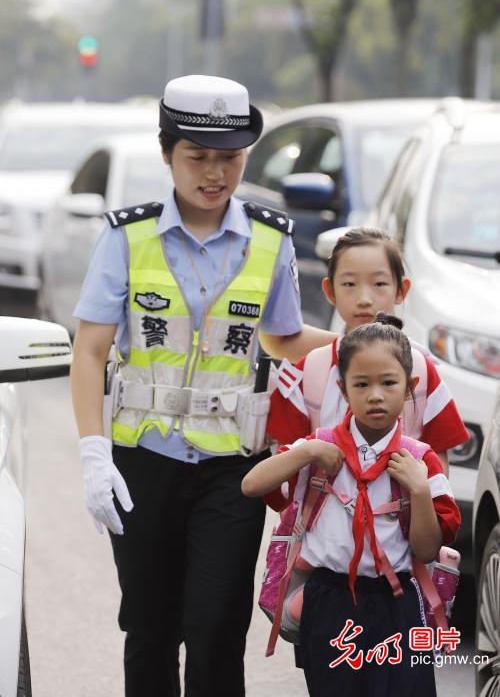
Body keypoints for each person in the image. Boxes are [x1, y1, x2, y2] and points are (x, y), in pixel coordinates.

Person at [70, 74, 336, 697]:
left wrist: (360, 340)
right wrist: (93, 455)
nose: (214, 173)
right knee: (150, 626)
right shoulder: (127, 236)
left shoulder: (271, 240)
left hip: (232, 470)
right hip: (143, 461)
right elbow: (91, 350)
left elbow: (281, 338)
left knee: (216, 626)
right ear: (167, 153)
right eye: (197, 157)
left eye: (229, 158)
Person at [242, 314, 461, 697]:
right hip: (330, 601)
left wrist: (420, 492)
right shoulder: (320, 445)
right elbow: (251, 485)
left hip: (398, 606)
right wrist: (306, 451)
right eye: (362, 384)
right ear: (343, 389)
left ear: (409, 387)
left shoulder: (419, 460)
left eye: (389, 383)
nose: (376, 394)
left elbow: (426, 550)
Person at [266, 227, 470, 481]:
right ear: (330, 291)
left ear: (401, 290)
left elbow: (438, 454)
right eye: (349, 284)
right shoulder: (310, 370)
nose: (364, 298)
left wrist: (430, 505)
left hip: (398, 519)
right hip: (323, 517)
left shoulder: (420, 369)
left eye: (379, 284)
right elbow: (284, 456)